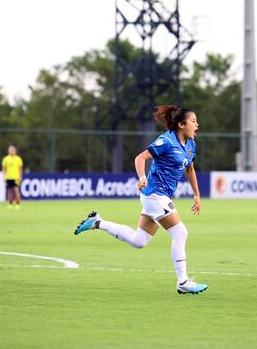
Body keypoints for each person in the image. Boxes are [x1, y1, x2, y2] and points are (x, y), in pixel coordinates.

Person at [75, 105, 208, 294]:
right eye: (194, 121)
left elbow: (190, 169)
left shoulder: (190, 145)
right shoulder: (166, 141)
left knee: (139, 241)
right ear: (181, 124)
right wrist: (142, 177)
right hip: (154, 194)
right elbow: (140, 158)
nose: (197, 125)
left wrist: (196, 194)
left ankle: (97, 222)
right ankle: (183, 282)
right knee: (180, 233)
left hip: (160, 197)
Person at [2, 145, 23, 210]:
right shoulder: (5, 159)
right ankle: (10, 204)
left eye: (12, 150)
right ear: (8, 151)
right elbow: (4, 169)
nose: (11, 151)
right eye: (10, 150)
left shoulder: (18, 159)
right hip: (8, 177)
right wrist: (3, 176)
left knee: (16, 191)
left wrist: (20, 176)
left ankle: (18, 204)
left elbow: (20, 169)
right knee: (9, 191)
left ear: (15, 151)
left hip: (16, 177)